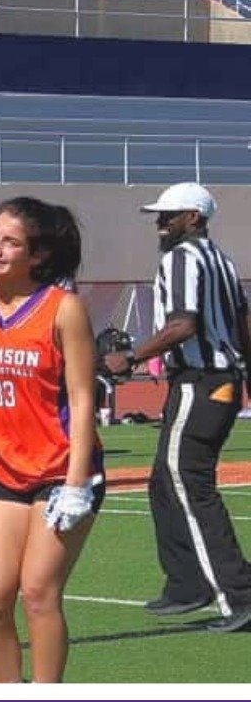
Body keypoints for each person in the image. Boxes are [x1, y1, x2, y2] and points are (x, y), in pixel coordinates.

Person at [103, 183, 251, 632]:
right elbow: (242, 321)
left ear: (194, 218)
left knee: (190, 483)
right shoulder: (221, 260)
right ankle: (187, 583)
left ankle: (238, 596)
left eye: (169, 215)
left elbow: (184, 324)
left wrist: (131, 357)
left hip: (201, 382)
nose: (160, 223)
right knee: (164, 482)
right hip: (219, 381)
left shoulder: (182, 258)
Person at [0, 199, 104, 682]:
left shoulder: (63, 310)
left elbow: (83, 398)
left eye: (10, 241)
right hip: (5, 469)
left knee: (39, 592)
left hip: (60, 470)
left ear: (38, 256)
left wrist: (77, 483)